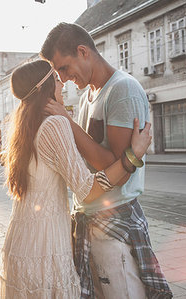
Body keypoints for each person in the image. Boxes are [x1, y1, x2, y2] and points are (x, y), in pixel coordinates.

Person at [0, 60, 152, 298]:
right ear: (45, 87)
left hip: (20, 243)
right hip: (46, 247)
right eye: (57, 80)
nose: (63, 85)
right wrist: (132, 157)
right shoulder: (54, 124)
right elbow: (86, 190)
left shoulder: (23, 128)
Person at [40, 22, 172, 298]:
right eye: (58, 72)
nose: (62, 78)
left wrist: (66, 120)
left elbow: (114, 167)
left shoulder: (123, 89)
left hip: (116, 222)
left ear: (83, 51)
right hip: (91, 219)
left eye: (64, 68)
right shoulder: (88, 94)